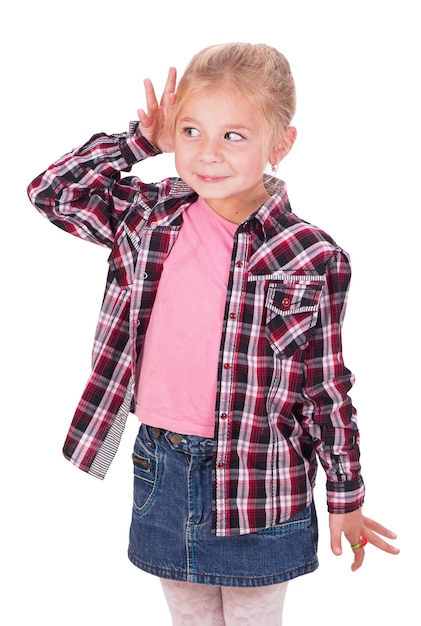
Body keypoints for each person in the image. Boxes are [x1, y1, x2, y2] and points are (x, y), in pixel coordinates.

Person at [27, 42, 399, 625]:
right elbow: (51, 193)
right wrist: (140, 142)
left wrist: (345, 495)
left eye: (234, 135)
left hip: (261, 476)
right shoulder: (148, 219)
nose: (207, 153)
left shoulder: (310, 257)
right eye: (192, 130)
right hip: (163, 463)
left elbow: (324, 387)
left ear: (281, 143)